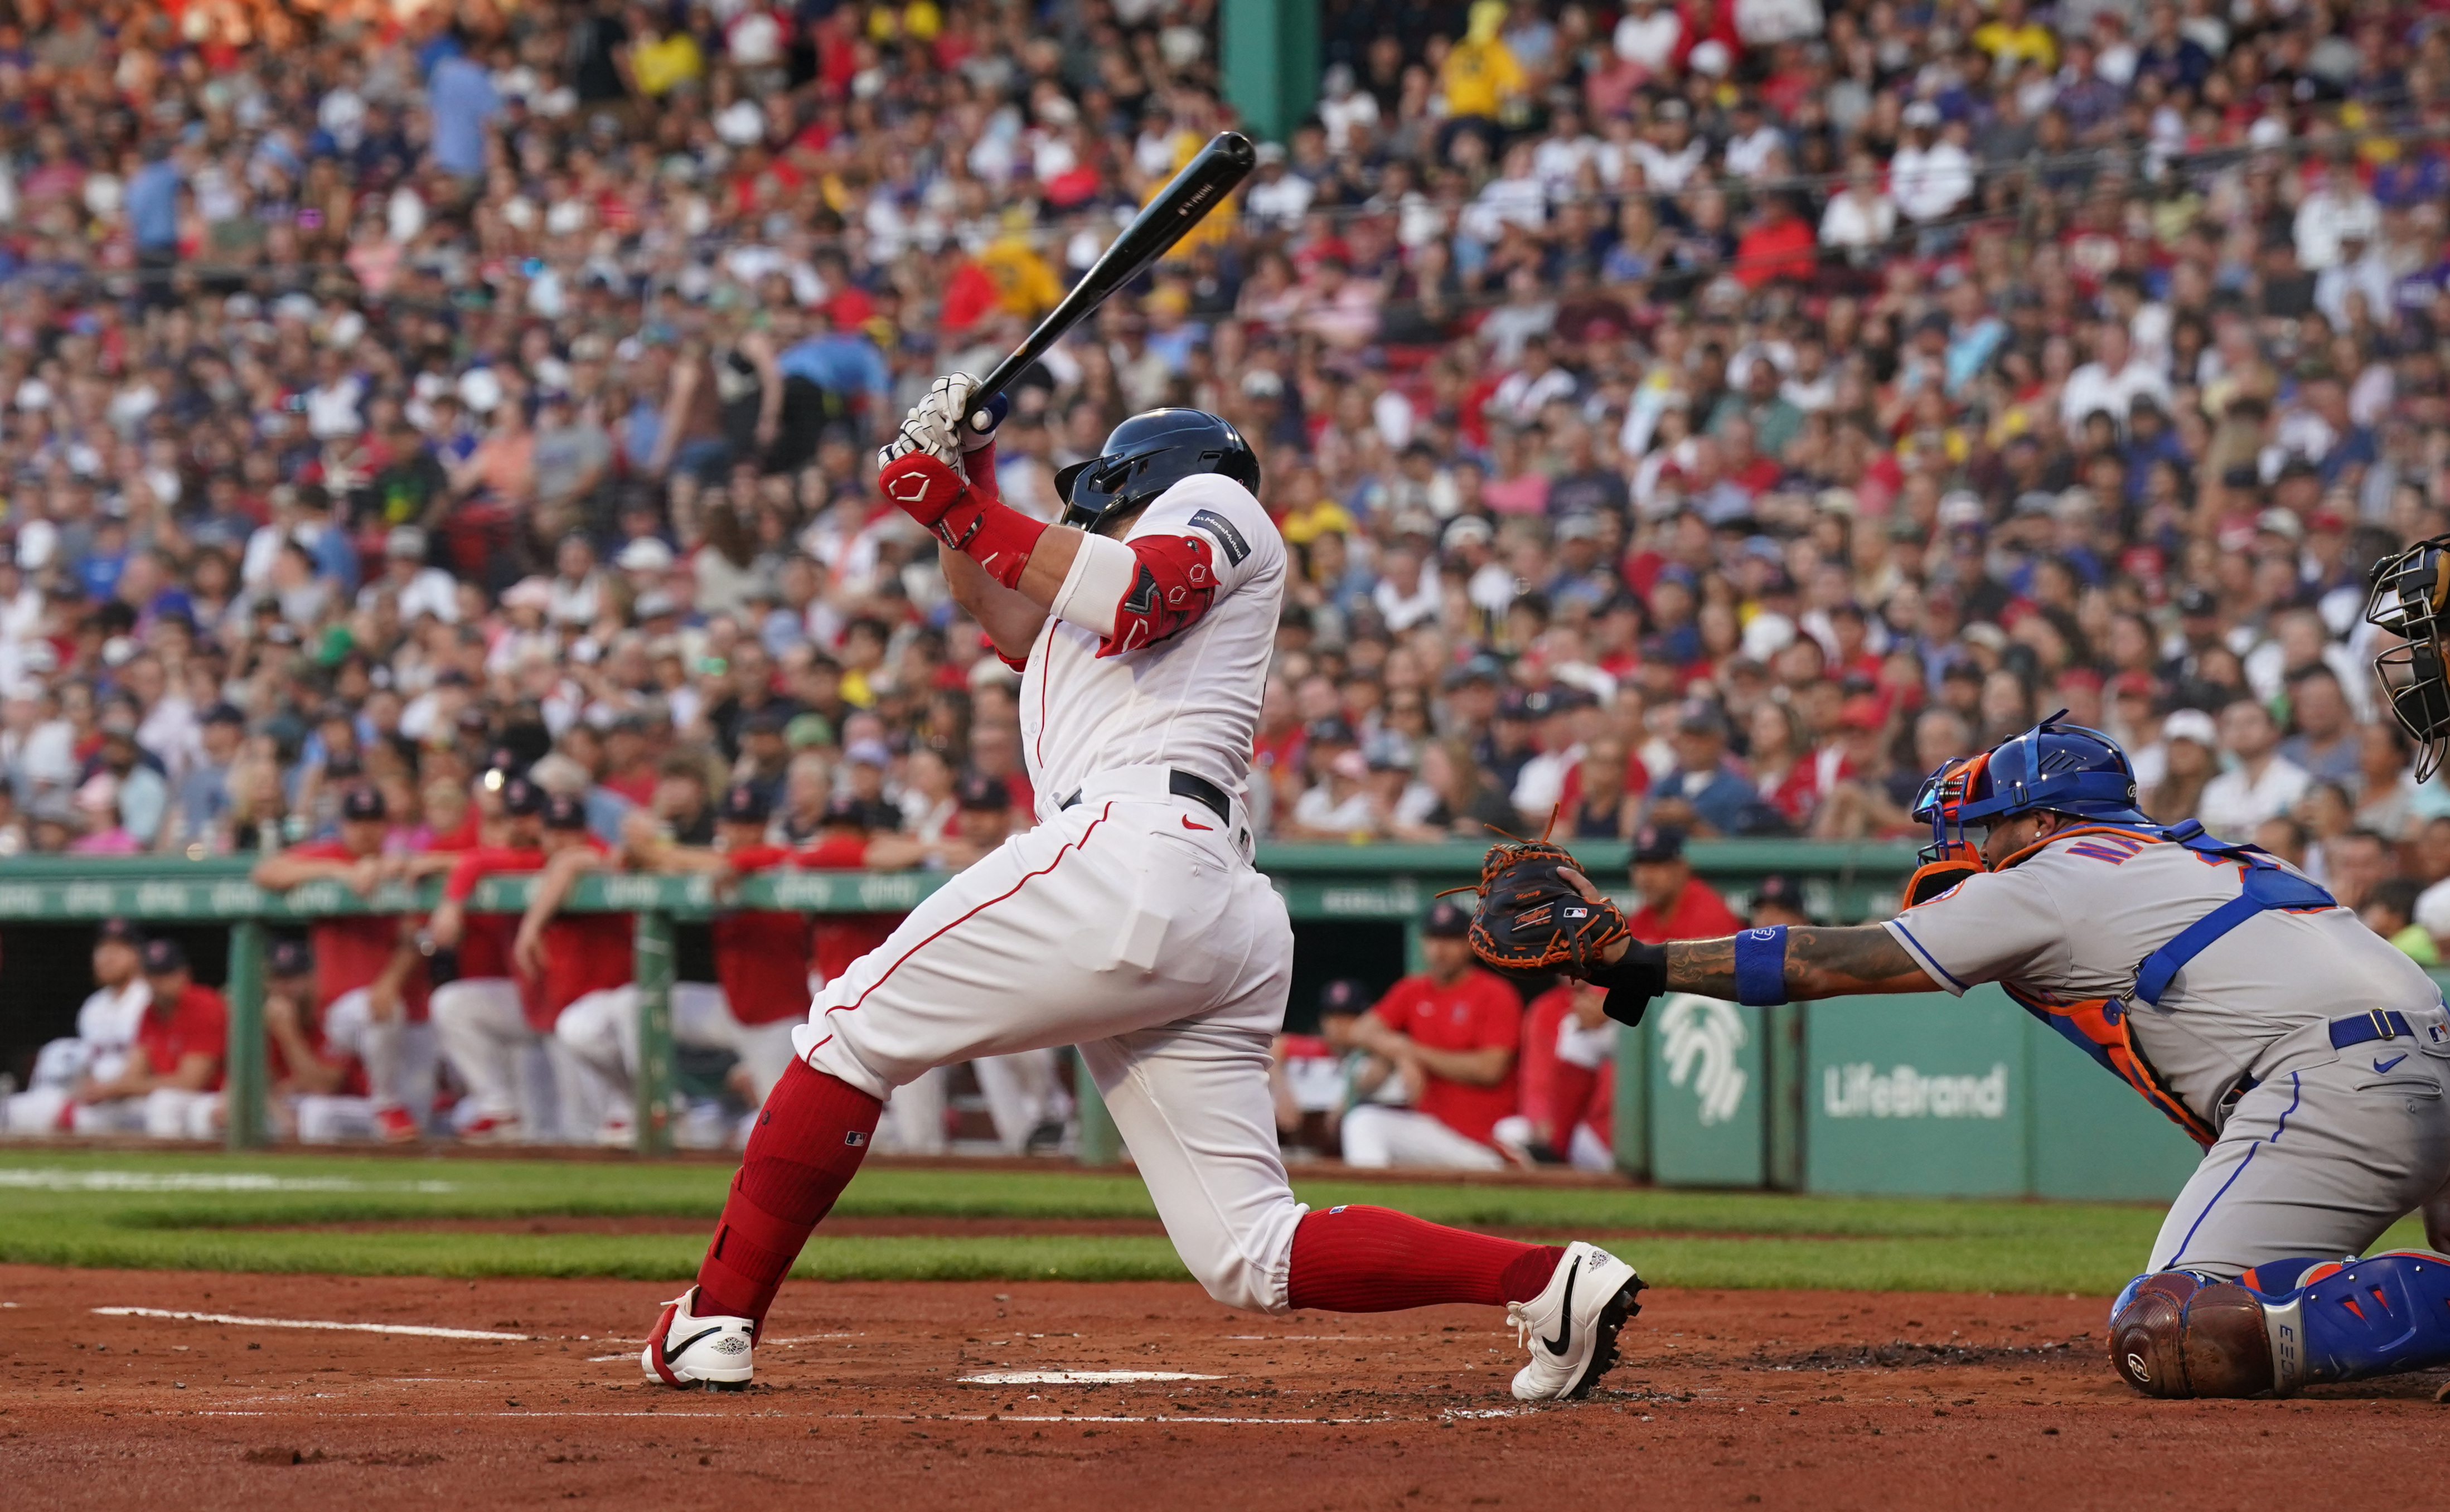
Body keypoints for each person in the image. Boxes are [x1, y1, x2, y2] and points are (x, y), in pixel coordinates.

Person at [641, 385, 1643, 1404]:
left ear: (1135, 479)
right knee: (1247, 1249)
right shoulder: (1082, 588)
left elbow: (1138, 594)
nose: (1084, 512)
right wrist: (968, 473)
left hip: (1135, 847)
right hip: (1199, 896)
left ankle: (714, 1314)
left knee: (847, 1030)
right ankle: (1543, 1282)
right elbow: (1001, 606)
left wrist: (951, 502)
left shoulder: (1213, 500)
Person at [1546, 712, 2450, 1399]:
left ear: (2040, 818)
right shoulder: (2203, 856)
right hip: (2423, 1064)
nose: (1972, 845)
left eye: (1987, 824)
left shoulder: (2054, 874)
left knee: (2168, 1325)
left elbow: (1828, 960)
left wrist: (1640, 961)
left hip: (2328, 1088)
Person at [251, 787, 428, 1140]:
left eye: (374, 821)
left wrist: (391, 981)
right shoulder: (332, 855)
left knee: (416, 1130)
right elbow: (265, 872)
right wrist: (340, 873)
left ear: (386, 825)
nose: (365, 830)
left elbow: (419, 938)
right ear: (344, 825)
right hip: (343, 1012)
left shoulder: (403, 865)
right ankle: (385, 1102)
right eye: (357, 822)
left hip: (411, 1013)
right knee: (375, 1010)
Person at [1338, 900, 1525, 1170]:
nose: (1440, 950)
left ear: (1469, 944)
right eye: (1434, 939)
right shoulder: (1413, 990)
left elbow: (1490, 1069)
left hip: (1484, 1140)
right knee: (1363, 1121)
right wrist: (1400, 1053)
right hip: (1432, 1128)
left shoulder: (1495, 993)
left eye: (1450, 939)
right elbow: (1358, 1031)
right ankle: (1373, 1209)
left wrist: (1413, 1052)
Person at [1, 919, 151, 1134]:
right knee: (17, 1110)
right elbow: (89, 1064)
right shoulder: (93, 1007)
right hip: (95, 1097)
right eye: (102, 948)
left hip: (133, 1097)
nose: (107, 957)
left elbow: (153, 1065)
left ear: (138, 956)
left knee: (85, 1119)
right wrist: (82, 1088)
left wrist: (111, 1089)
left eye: (118, 949)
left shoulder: (148, 1000)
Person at [1624, 825, 1744, 942]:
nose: (1645, 877)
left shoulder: (1709, 916)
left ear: (1681, 868)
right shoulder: (1642, 918)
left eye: (1656, 865)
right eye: (1639, 867)